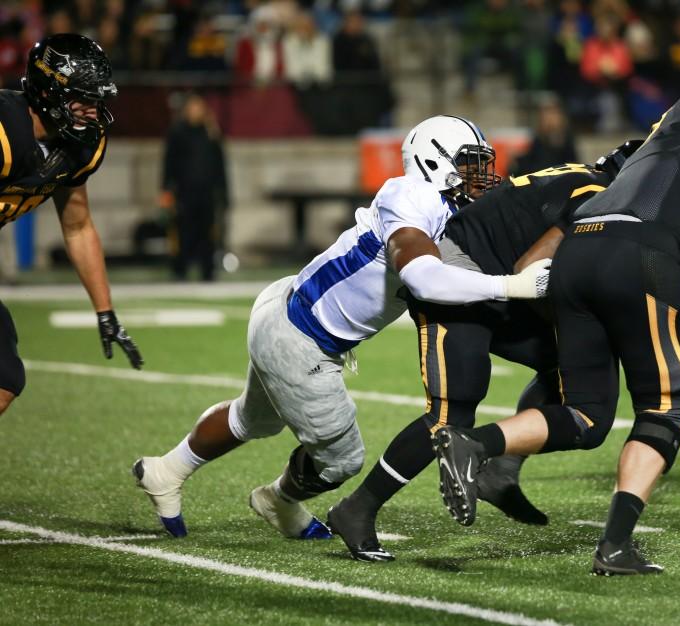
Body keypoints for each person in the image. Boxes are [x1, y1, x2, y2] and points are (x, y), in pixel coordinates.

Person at [431, 74, 680, 575]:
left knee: (588, 415)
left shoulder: (675, 166)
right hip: (637, 252)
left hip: (579, 249)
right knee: (668, 408)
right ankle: (615, 546)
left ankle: (477, 443)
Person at [133, 116, 551, 539]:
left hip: (285, 308)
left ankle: (167, 470)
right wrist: (509, 286)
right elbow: (423, 278)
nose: (480, 175)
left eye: (482, 163)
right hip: (301, 339)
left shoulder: (448, 206)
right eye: (469, 163)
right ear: (433, 162)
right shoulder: (411, 194)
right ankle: (279, 498)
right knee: (342, 461)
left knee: (251, 418)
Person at [327, 144, 638, 561]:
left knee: (565, 361)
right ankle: (357, 509)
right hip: (460, 277)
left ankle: (501, 473)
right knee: (451, 415)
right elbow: (530, 265)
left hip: (498, 281)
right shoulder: (597, 194)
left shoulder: (587, 179)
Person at [0, 33, 142, 418]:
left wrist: (105, 311)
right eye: (85, 99)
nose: (94, 111)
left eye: (98, 100)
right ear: (49, 91)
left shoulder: (79, 148)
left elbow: (77, 225)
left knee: (4, 380)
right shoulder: (4, 130)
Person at [161, 93, 228, 282]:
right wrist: (166, 190)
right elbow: (169, 163)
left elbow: (220, 166)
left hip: (206, 193)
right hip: (184, 192)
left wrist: (224, 192)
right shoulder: (177, 132)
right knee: (184, 232)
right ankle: (180, 269)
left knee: (207, 233)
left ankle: (208, 270)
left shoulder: (211, 133)